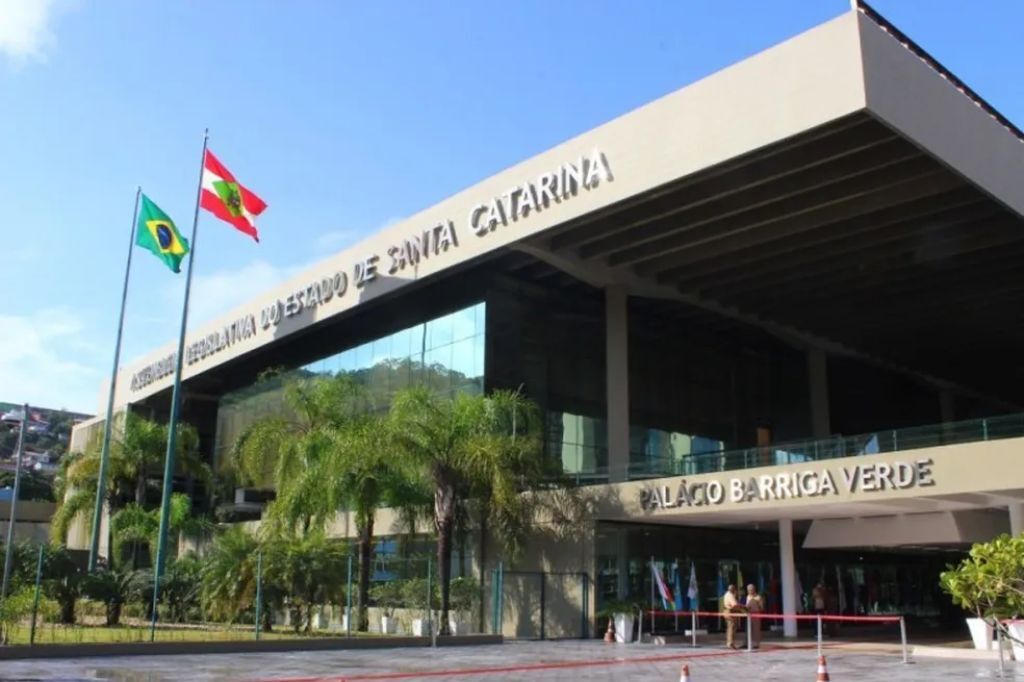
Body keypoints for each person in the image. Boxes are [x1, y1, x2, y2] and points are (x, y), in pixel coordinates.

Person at [721, 584, 745, 649]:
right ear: (733, 589)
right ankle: (731, 643)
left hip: (727, 611)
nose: (735, 590)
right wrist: (743, 607)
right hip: (730, 612)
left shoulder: (727, 594)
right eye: (735, 589)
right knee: (732, 628)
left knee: (730, 628)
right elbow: (734, 605)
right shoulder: (730, 595)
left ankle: (729, 642)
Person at [745, 584, 764, 649]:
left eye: (750, 590)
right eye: (748, 590)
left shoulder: (758, 597)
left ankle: (756, 644)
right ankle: (748, 643)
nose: (749, 591)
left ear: (753, 590)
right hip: (749, 615)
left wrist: (756, 606)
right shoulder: (748, 597)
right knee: (749, 629)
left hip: (756, 615)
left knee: (756, 629)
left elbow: (761, 608)